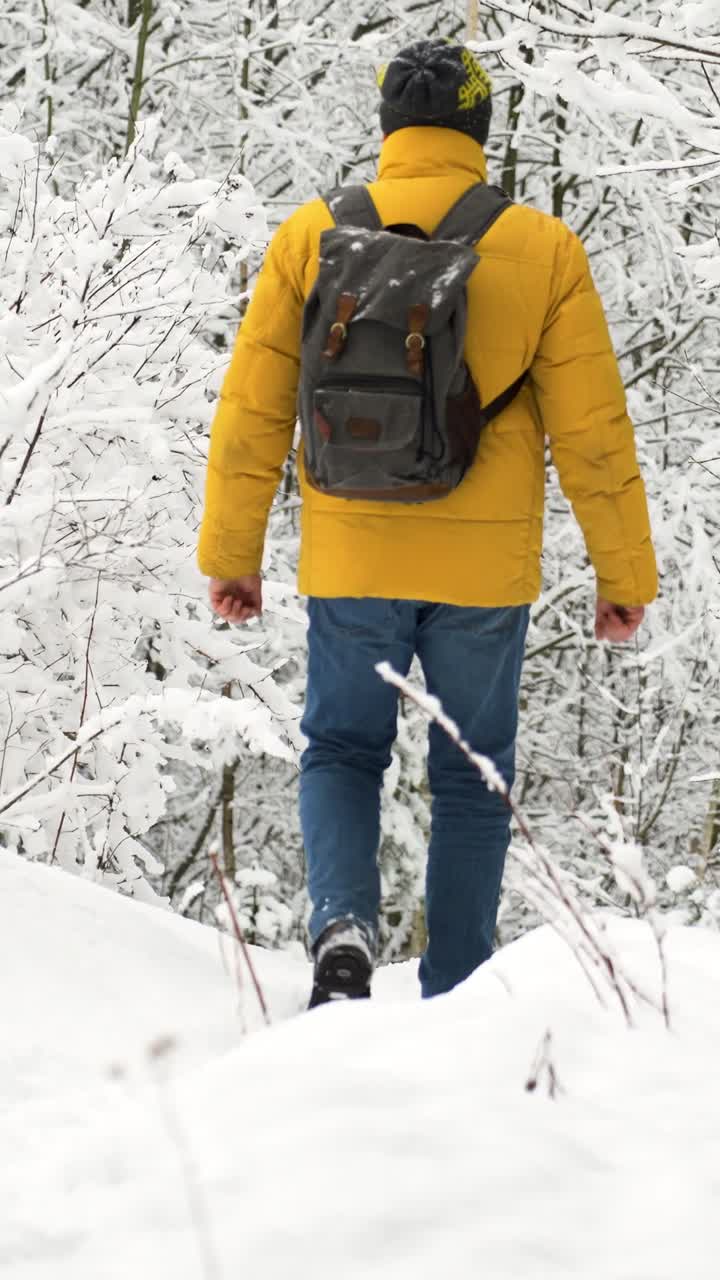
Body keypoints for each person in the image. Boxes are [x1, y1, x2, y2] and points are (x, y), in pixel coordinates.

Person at [197, 39, 657, 1007]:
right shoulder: (543, 250)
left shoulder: (311, 236)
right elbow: (596, 437)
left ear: (388, 131)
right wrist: (624, 577)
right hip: (483, 575)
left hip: (352, 550)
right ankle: (458, 991)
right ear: (480, 132)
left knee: (342, 748)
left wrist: (233, 554)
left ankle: (345, 928)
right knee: (472, 774)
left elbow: (251, 411)